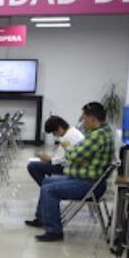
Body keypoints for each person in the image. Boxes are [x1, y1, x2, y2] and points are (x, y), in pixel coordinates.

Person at [29, 102, 114, 241]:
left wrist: (70, 153)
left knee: (48, 190)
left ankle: (54, 231)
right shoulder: (99, 133)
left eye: (84, 118)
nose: (82, 121)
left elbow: (73, 155)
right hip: (84, 178)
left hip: (89, 184)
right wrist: (71, 153)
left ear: (93, 118)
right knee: (46, 182)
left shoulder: (98, 136)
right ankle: (43, 218)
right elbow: (74, 153)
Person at [28, 115, 85, 187]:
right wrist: (51, 158)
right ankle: (48, 186)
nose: (55, 135)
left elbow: (64, 159)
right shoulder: (72, 132)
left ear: (59, 128)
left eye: (54, 133)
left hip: (69, 167)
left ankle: (46, 187)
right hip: (71, 165)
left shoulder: (67, 137)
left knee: (32, 166)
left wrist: (50, 159)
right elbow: (65, 154)